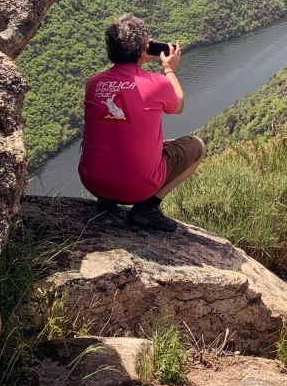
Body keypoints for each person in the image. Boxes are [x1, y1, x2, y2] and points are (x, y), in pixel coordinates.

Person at [78, 13, 206, 232]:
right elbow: (179, 105)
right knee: (198, 147)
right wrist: (169, 69)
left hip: (93, 182)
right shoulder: (157, 83)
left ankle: (107, 201)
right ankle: (147, 209)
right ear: (143, 48)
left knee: (114, 135)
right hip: (136, 188)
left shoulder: (94, 83)